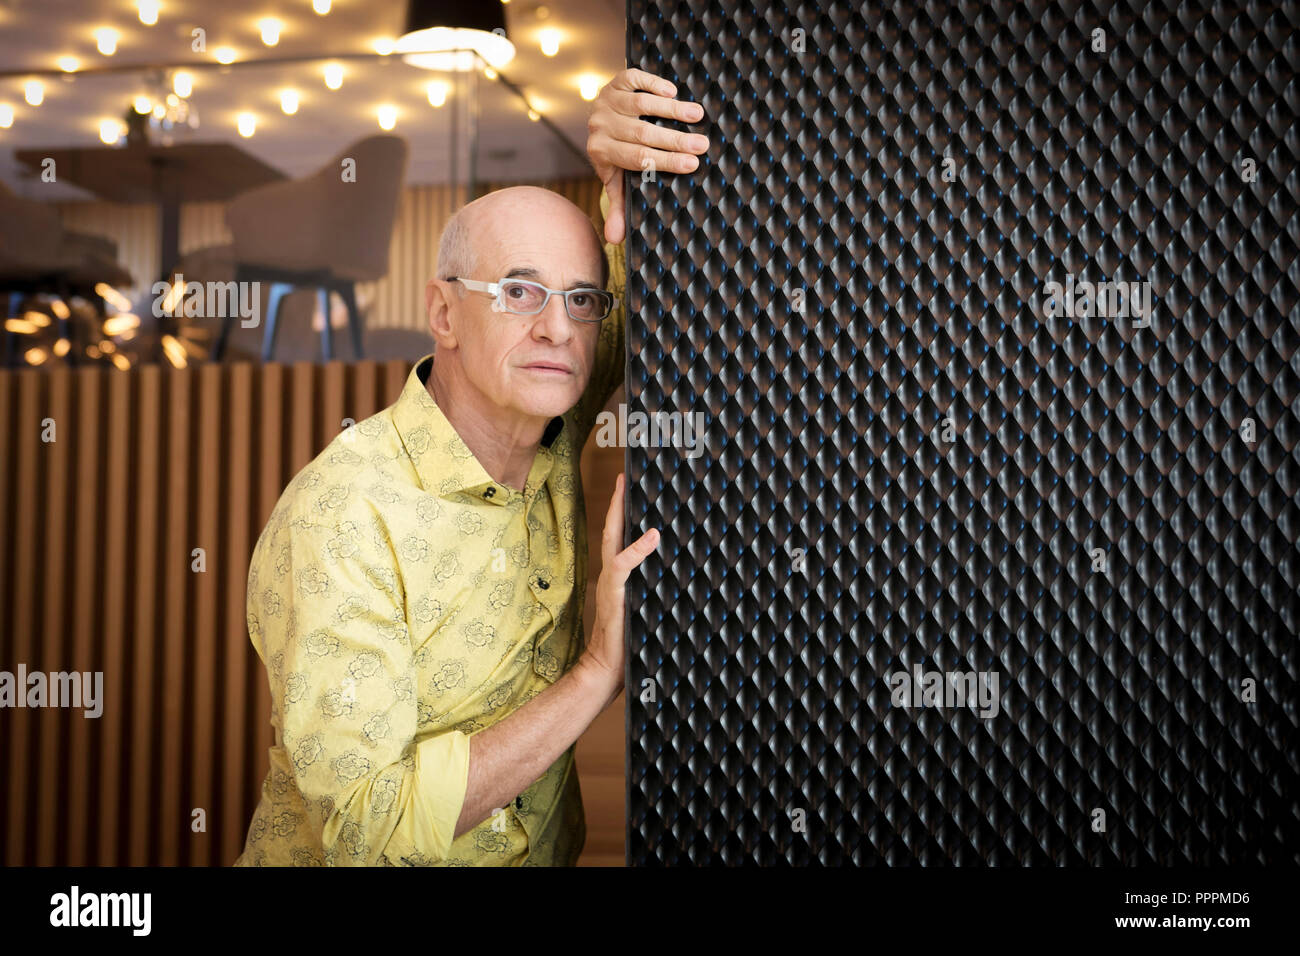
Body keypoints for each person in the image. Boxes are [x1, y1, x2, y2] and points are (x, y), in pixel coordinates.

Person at [233, 68, 710, 866]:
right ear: (443, 312)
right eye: (520, 292)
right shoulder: (344, 515)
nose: (558, 327)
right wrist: (597, 671)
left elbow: (650, 279)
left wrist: (625, 159)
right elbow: (369, 828)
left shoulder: (551, 396)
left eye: (581, 300)